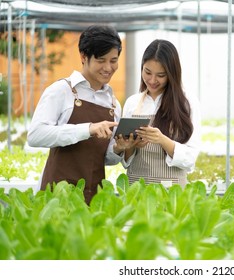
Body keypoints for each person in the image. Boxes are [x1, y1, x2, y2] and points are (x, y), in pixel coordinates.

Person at [27, 25, 125, 204]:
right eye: (101, 60)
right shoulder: (61, 91)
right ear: (83, 56)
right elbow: (35, 135)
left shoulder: (113, 104)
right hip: (57, 196)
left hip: (94, 197)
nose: (108, 67)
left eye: (113, 60)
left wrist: (119, 148)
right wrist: (87, 129)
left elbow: (106, 159)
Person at [115, 39, 201, 187]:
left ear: (172, 74)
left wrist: (162, 139)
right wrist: (130, 145)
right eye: (147, 72)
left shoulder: (187, 103)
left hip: (171, 190)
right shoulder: (132, 103)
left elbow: (190, 158)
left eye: (161, 75)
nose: (152, 80)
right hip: (137, 187)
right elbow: (126, 162)